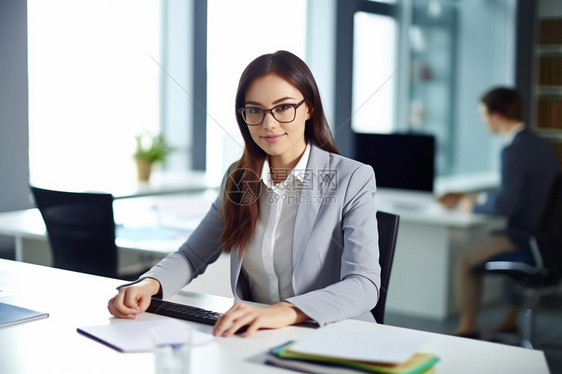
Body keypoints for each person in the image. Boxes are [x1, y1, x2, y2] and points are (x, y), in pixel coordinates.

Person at [107, 50, 381, 337]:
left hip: (335, 337)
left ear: (308, 108)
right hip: (260, 337)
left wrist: (282, 311)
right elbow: (192, 255)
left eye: (283, 107)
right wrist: (148, 284)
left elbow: (363, 283)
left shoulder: (352, 178)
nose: (269, 124)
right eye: (255, 110)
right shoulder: (238, 179)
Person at [439, 87, 559, 338]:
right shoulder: (541, 144)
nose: (482, 121)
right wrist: (479, 198)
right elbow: (521, 193)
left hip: (523, 235)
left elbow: (506, 205)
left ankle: (467, 326)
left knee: (466, 261)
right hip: (546, 236)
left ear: (495, 116)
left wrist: (472, 206)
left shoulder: (512, 150)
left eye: (483, 114)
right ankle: (510, 318)